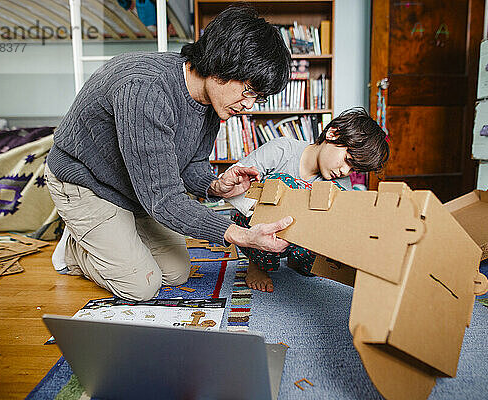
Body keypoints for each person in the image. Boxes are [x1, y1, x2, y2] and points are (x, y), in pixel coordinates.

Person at [44, 5, 294, 301]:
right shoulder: (146, 90)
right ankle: (75, 249)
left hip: (134, 188)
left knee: (177, 273)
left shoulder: (213, 101)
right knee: (141, 287)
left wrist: (215, 186)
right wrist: (242, 236)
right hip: (86, 183)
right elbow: (163, 199)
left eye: (257, 97)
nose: (249, 104)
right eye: (249, 90)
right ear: (222, 64)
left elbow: (191, 163)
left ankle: (114, 238)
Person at [226, 108, 390, 292]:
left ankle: (297, 260)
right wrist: (268, 207)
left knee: (330, 232)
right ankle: (257, 265)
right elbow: (232, 184)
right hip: (258, 223)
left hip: (299, 233)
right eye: (347, 160)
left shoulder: (340, 181)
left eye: (353, 170)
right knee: (282, 183)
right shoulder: (282, 149)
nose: (345, 171)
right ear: (332, 133)